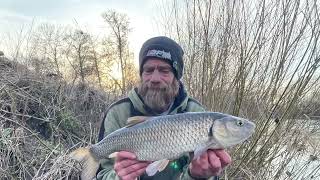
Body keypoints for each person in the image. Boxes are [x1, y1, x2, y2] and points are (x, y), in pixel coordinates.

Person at [96, 36, 231, 180]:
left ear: (176, 77)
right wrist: (119, 177)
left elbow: (210, 173)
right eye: (148, 70)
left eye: (164, 70)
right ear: (141, 75)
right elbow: (102, 174)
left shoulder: (197, 113)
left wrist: (196, 176)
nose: (154, 78)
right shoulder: (118, 112)